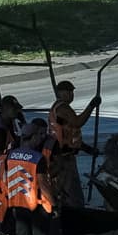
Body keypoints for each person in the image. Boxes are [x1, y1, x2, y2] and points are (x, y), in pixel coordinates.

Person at [1, 126, 57, 235]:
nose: (40, 140)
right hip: (35, 205)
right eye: (38, 137)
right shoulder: (37, 158)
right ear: (31, 138)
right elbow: (43, 184)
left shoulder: (10, 156)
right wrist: (54, 204)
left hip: (17, 203)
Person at [47, 80, 99, 211]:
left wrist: (87, 148)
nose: (71, 94)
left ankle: (67, 213)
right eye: (68, 92)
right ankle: (75, 216)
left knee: (65, 190)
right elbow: (77, 122)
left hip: (63, 153)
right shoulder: (62, 108)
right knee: (72, 192)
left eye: (72, 92)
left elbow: (69, 135)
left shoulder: (58, 108)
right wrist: (91, 106)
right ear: (60, 93)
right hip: (63, 157)